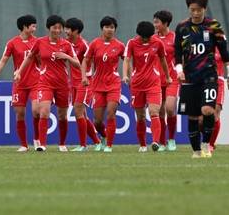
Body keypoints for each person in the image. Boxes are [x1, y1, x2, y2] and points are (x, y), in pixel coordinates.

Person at [174, 0, 229, 158]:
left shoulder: (214, 26)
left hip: (208, 76)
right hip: (189, 77)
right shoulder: (182, 27)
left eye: (199, 10)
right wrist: (179, 70)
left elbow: (224, 52)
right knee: (192, 116)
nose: (195, 13)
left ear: (204, 9)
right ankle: (196, 151)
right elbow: (177, 53)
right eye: (192, 10)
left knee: (208, 110)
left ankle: (206, 145)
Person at [14, 15, 80, 152]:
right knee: (43, 111)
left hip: (62, 84)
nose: (57, 30)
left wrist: (66, 56)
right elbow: (29, 57)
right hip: (45, 82)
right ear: (49, 28)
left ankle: (62, 144)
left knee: (62, 115)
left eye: (59, 28)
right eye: (54, 28)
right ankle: (42, 145)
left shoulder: (66, 45)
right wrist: (19, 71)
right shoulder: (40, 42)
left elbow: (77, 64)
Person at [0, 15, 40, 152]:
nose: (35, 28)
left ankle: (37, 140)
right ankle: (24, 145)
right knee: (20, 113)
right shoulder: (12, 43)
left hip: (36, 82)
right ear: (24, 27)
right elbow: (3, 60)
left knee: (36, 111)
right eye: (33, 26)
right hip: (19, 84)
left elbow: (42, 62)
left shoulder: (38, 42)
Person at [123, 21, 171, 152]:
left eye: (148, 37)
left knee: (154, 112)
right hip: (137, 84)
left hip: (153, 84)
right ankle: (143, 145)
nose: (146, 39)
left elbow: (163, 60)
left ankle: (155, 142)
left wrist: (167, 76)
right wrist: (125, 75)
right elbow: (126, 60)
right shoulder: (132, 43)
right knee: (141, 117)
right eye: (143, 37)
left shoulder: (157, 43)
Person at [81, 16, 125, 153]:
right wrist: (84, 76)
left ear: (115, 29)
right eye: (107, 27)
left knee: (111, 114)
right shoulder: (94, 44)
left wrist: (128, 74)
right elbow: (85, 60)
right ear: (102, 28)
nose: (109, 30)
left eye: (112, 27)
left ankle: (109, 146)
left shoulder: (119, 45)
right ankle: (104, 136)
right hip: (97, 85)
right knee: (97, 121)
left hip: (113, 84)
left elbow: (127, 60)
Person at [65, 17, 101, 152]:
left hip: (85, 82)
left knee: (78, 111)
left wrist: (88, 78)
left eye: (69, 29)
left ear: (76, 31)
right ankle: (98, 141)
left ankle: (83, 145)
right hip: (73, 82)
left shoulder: (84, 45)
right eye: (66, 28)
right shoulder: (66, 43)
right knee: (83, 115)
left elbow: (89, 63)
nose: (66, 31)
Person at [152, 10, 179, 151]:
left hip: (172, 79)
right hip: (156, 80)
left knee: (169, 108)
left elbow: (182, 58)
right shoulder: (152, 39)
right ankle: (162, 142)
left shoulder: (175, 37)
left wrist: (182, 72)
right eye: (154, 21)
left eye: (157, 22)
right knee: (160, 111)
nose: (155, 24)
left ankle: (172, 140)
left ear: (166, 23)